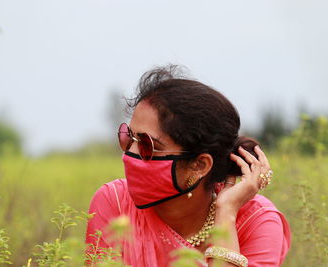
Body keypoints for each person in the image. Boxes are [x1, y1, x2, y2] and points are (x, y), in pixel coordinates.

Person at [85, 65, 291, 267]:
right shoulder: (116, 203)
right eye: (128, 138)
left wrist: (226, 213)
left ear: (199, 165)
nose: (131, 153)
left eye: (148, 145)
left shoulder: (257, 222)